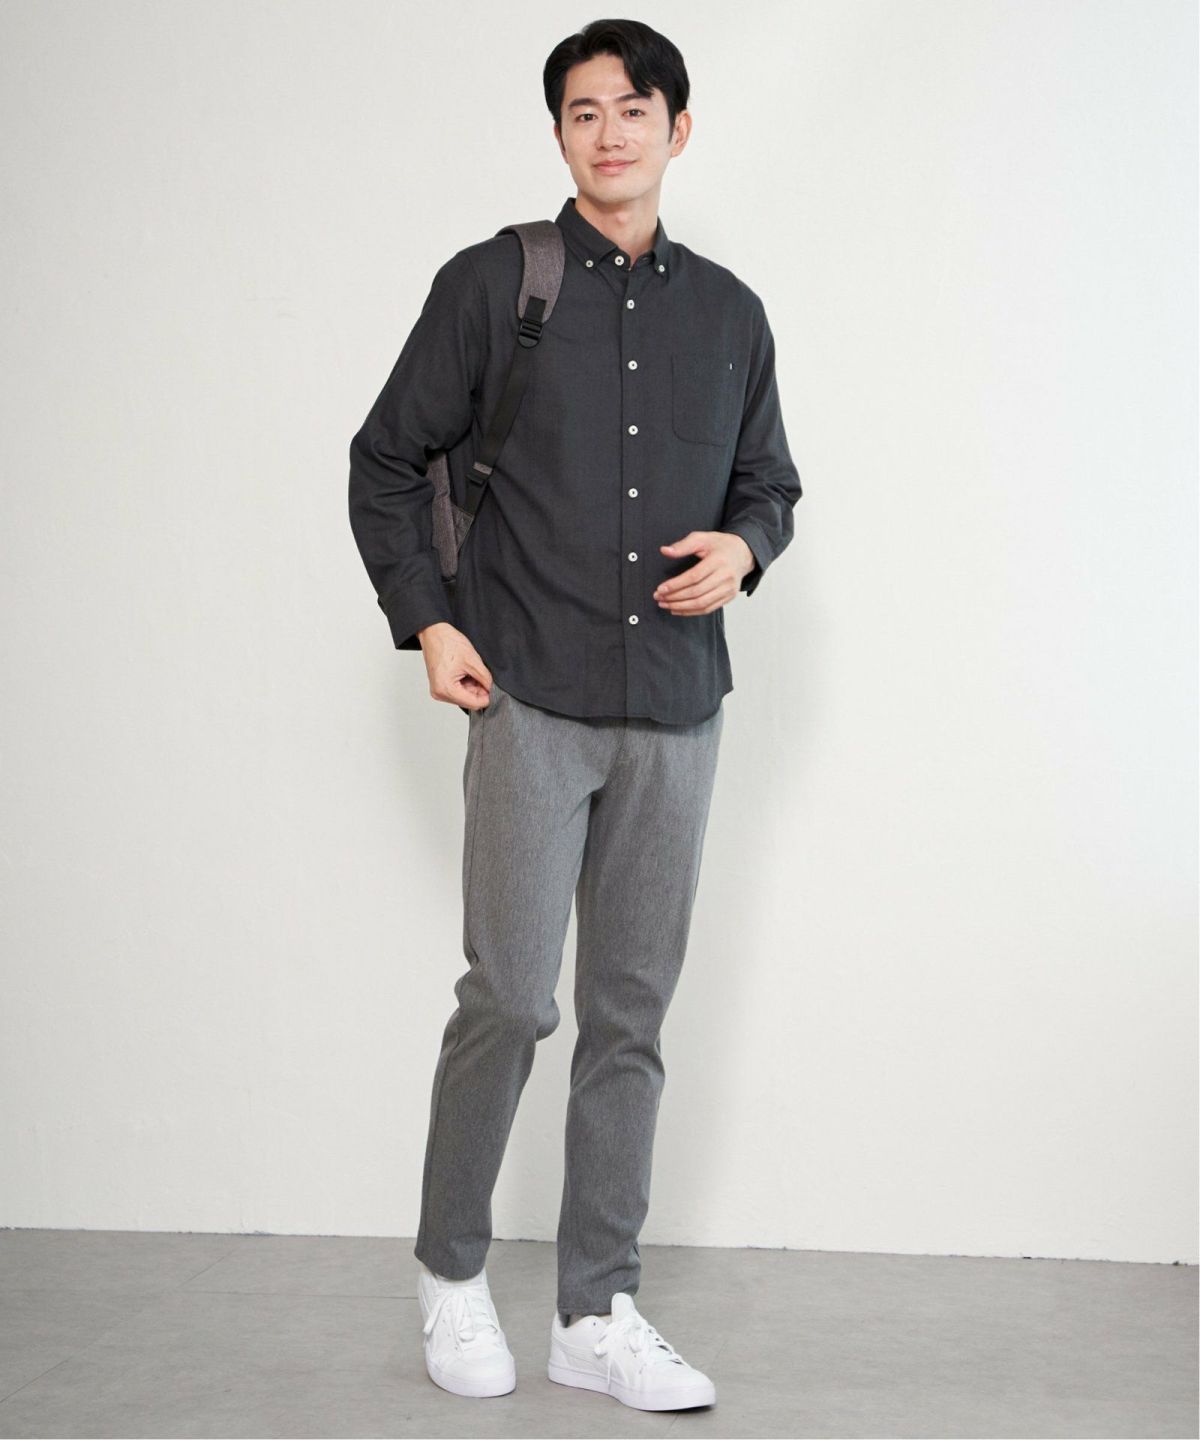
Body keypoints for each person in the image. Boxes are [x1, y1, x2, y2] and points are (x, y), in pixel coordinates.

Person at [348, 16, 802, 1413]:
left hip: (677, 708)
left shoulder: (731, 313)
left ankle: (597, 1310)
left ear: (678, 128)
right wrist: (429, 620)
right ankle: (451, 1274)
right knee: (511, 996)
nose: (610, 132)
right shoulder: (496, 284)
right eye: (584, 111)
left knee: (629, 1015)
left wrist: (745, 550)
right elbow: (384, 457)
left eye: (634, 108)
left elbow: (770, 484)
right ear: (559, 135)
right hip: (531, 692)